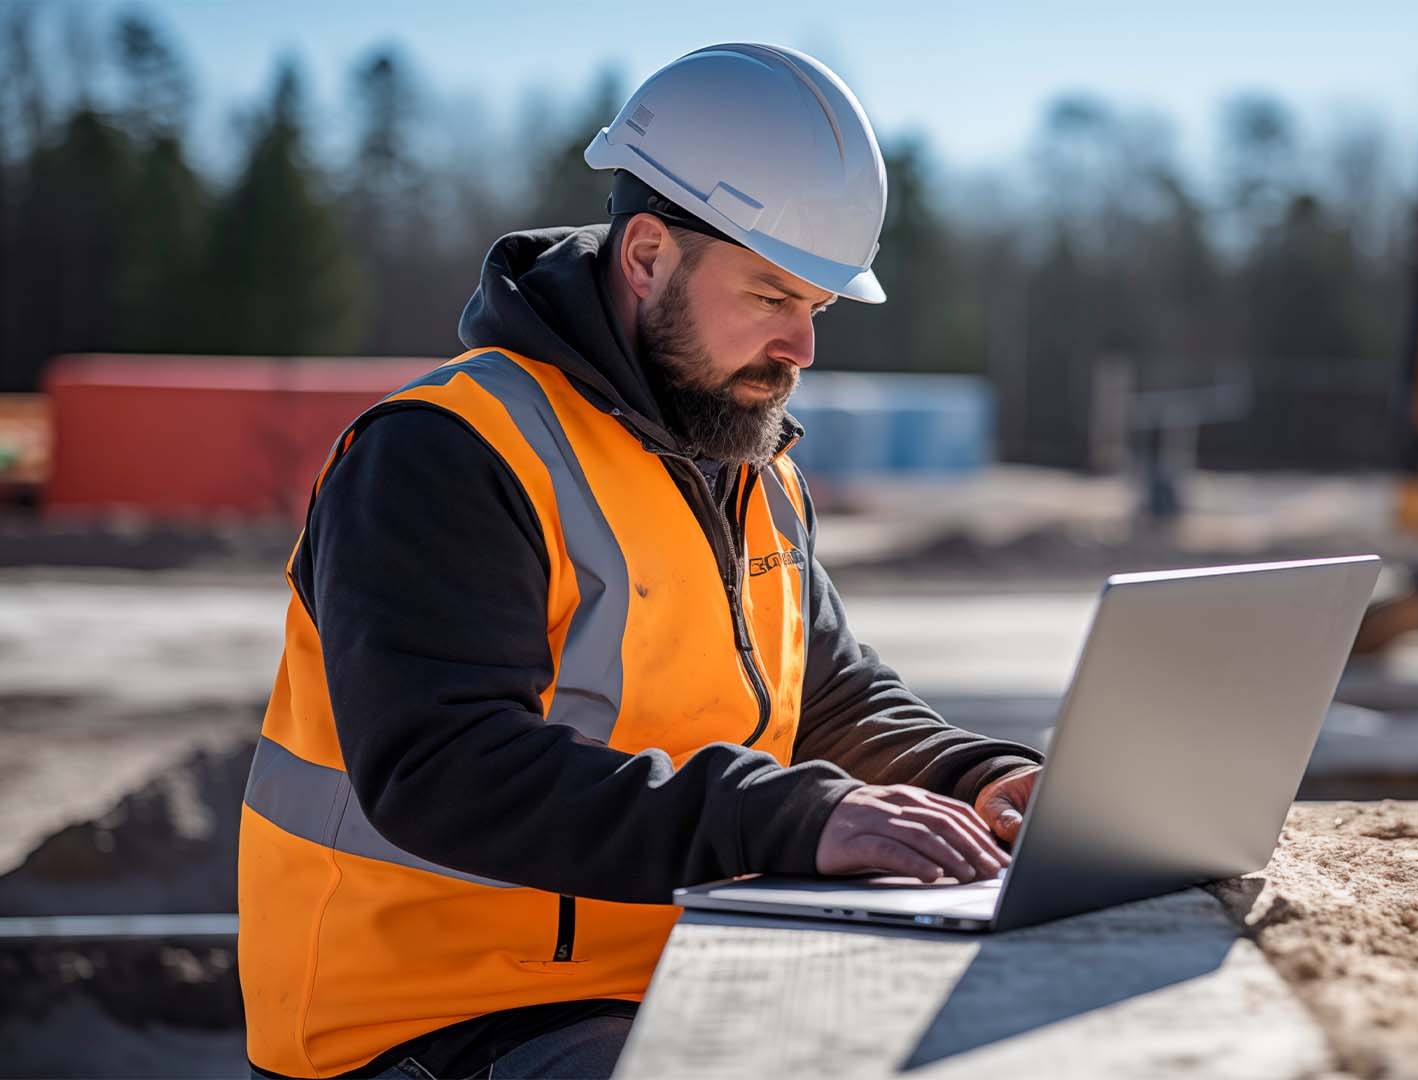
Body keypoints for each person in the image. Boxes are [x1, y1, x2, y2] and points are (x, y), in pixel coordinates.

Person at [238, 43, 1044, 1080]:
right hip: (431, 1021)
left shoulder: (748, 465)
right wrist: (795, 815)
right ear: (650, 256)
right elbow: (444, 769)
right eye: (769, 296)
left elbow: (829, 697)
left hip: (684, 968)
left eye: (817, 308)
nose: (801, 346)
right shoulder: (446, 452)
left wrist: (980, 780)